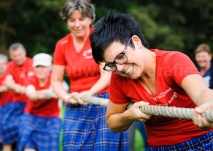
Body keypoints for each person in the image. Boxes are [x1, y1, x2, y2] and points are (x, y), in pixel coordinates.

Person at [90, 11, 213, 150]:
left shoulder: (174, 61)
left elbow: (202, 92)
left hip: (203, 142)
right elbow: (112, 123)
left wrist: (208, 107)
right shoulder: (118, 79)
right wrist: (129, 116)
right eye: (111, 65)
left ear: (136, 42)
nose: (120, 67)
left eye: (120, 56)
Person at [51, 0, 129, 151]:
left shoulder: (99, 39)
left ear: (90, 18)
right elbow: (56, 80)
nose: (77, 24)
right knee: (71, 146)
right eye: (72, 20)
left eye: (81, 19)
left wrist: (89, 93)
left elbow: (107, 75)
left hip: (105, 101)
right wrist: (66, 98)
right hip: (75, 101)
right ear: (66, 22)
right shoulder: (62, 45)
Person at [17, 53, 69, 151]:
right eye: (38, 66)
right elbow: (31, 94)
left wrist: (52, 91)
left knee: (52, 138)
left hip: (51, 117)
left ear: (50, 67)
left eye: (43, 66)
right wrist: (46, 93)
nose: (40, 69)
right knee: (26, 136)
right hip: (31, 115)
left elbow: (65, 91)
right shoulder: (30, 79)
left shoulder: (57, 80)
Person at [2, 43, 34, 151]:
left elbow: (29, 83)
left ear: (24, 52)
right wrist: (18, 87)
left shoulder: (31, 63)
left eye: (19, 54)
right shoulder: (10, 65)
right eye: (15, 56)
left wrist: (15, 86)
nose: (18, 58)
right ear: (11, 56)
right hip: (16, 102)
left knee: (24, 128)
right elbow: (8, 82)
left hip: (31, 103)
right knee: (6, 125)